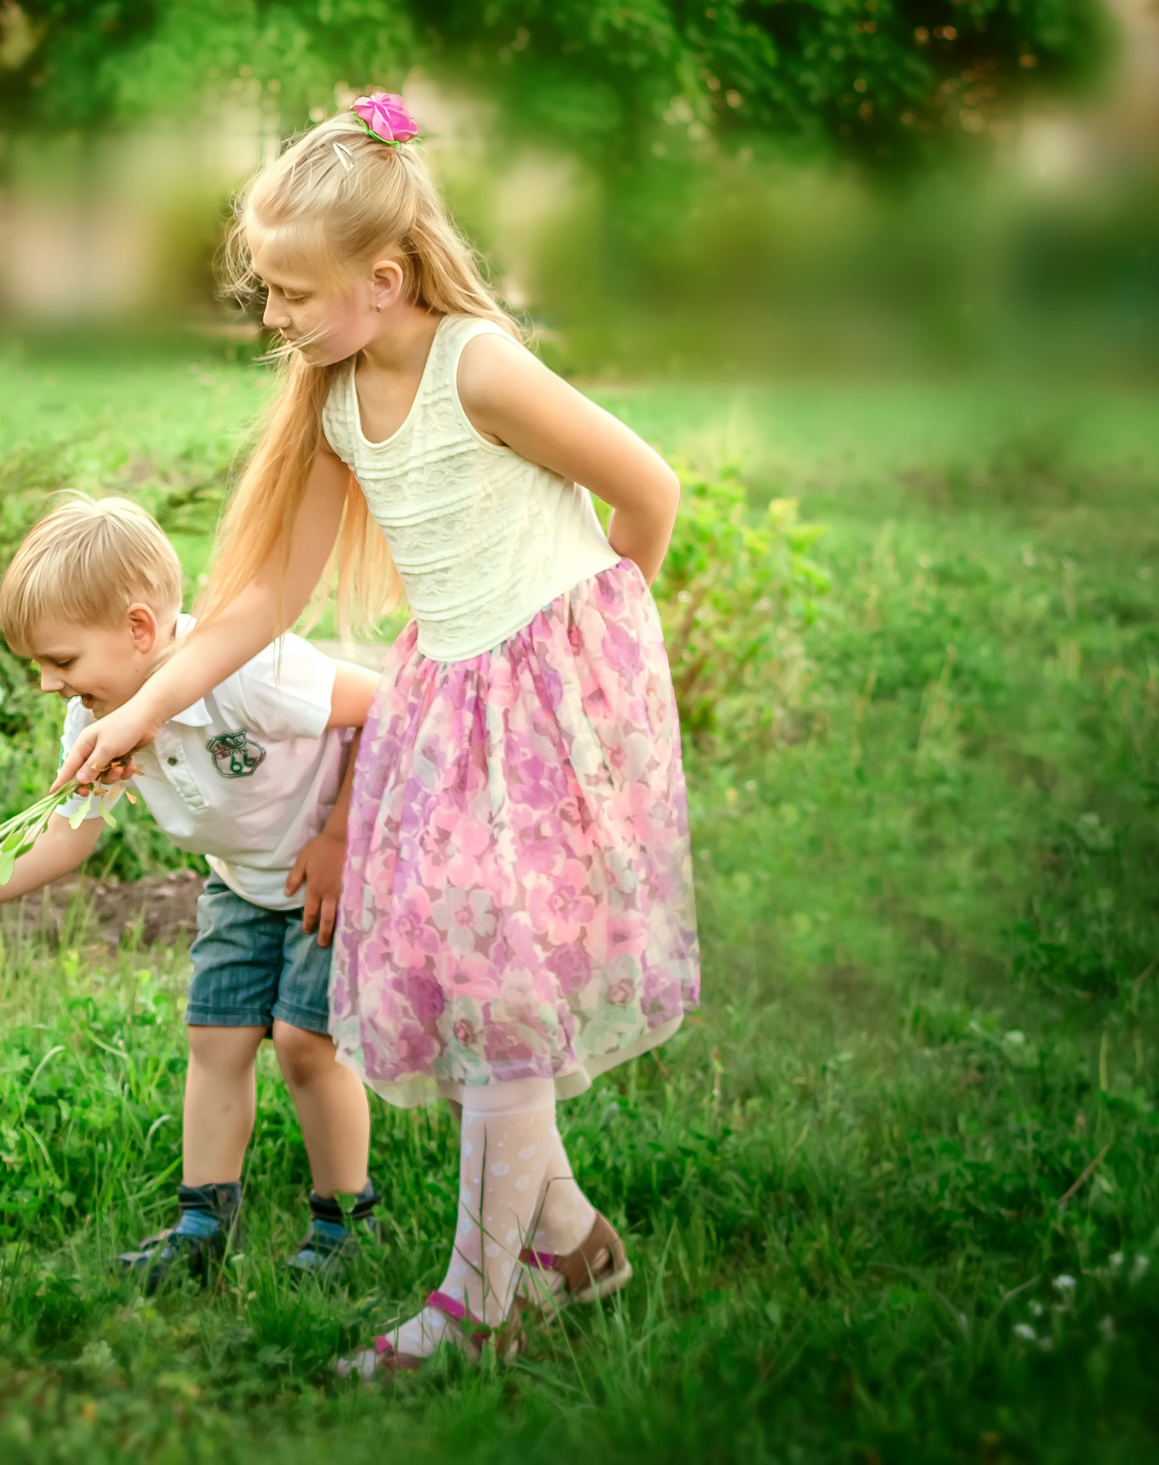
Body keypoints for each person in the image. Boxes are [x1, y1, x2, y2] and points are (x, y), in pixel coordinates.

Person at [52, 93, 698, 1373]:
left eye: (291, 293)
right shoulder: (340, 398)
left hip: (549, 693)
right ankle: (570, 1243)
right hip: (446, 697)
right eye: (268, 293)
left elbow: (648, 491)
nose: (273, 317)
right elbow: (260, 599)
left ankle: (480, 1297)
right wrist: (135, 707)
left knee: (494, 986)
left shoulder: (478, 364)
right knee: (467, 976)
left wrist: (591, 655)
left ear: (383, 276)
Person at [0, 493, 387, 1282]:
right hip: (239, 884)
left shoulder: (253, 675)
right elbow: (70, 832)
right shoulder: (95, 717)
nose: (47, 684)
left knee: (308, 1045)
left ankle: (345, 1225)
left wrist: (341, 836)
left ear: (139, 630)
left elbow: (386, 711)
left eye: (61, 662)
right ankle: (204, 1221)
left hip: (332, 874)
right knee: (216, 1038)